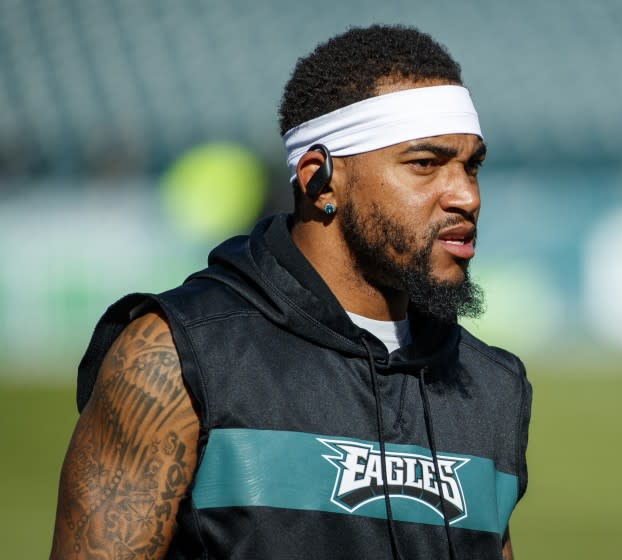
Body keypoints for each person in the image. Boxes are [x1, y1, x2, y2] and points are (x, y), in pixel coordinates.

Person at [51, 24, 532, 560]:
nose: (466, 195)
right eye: (425, 164)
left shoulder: (491, 385)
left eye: (472, 166)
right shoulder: (177, 359)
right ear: (320, 180)